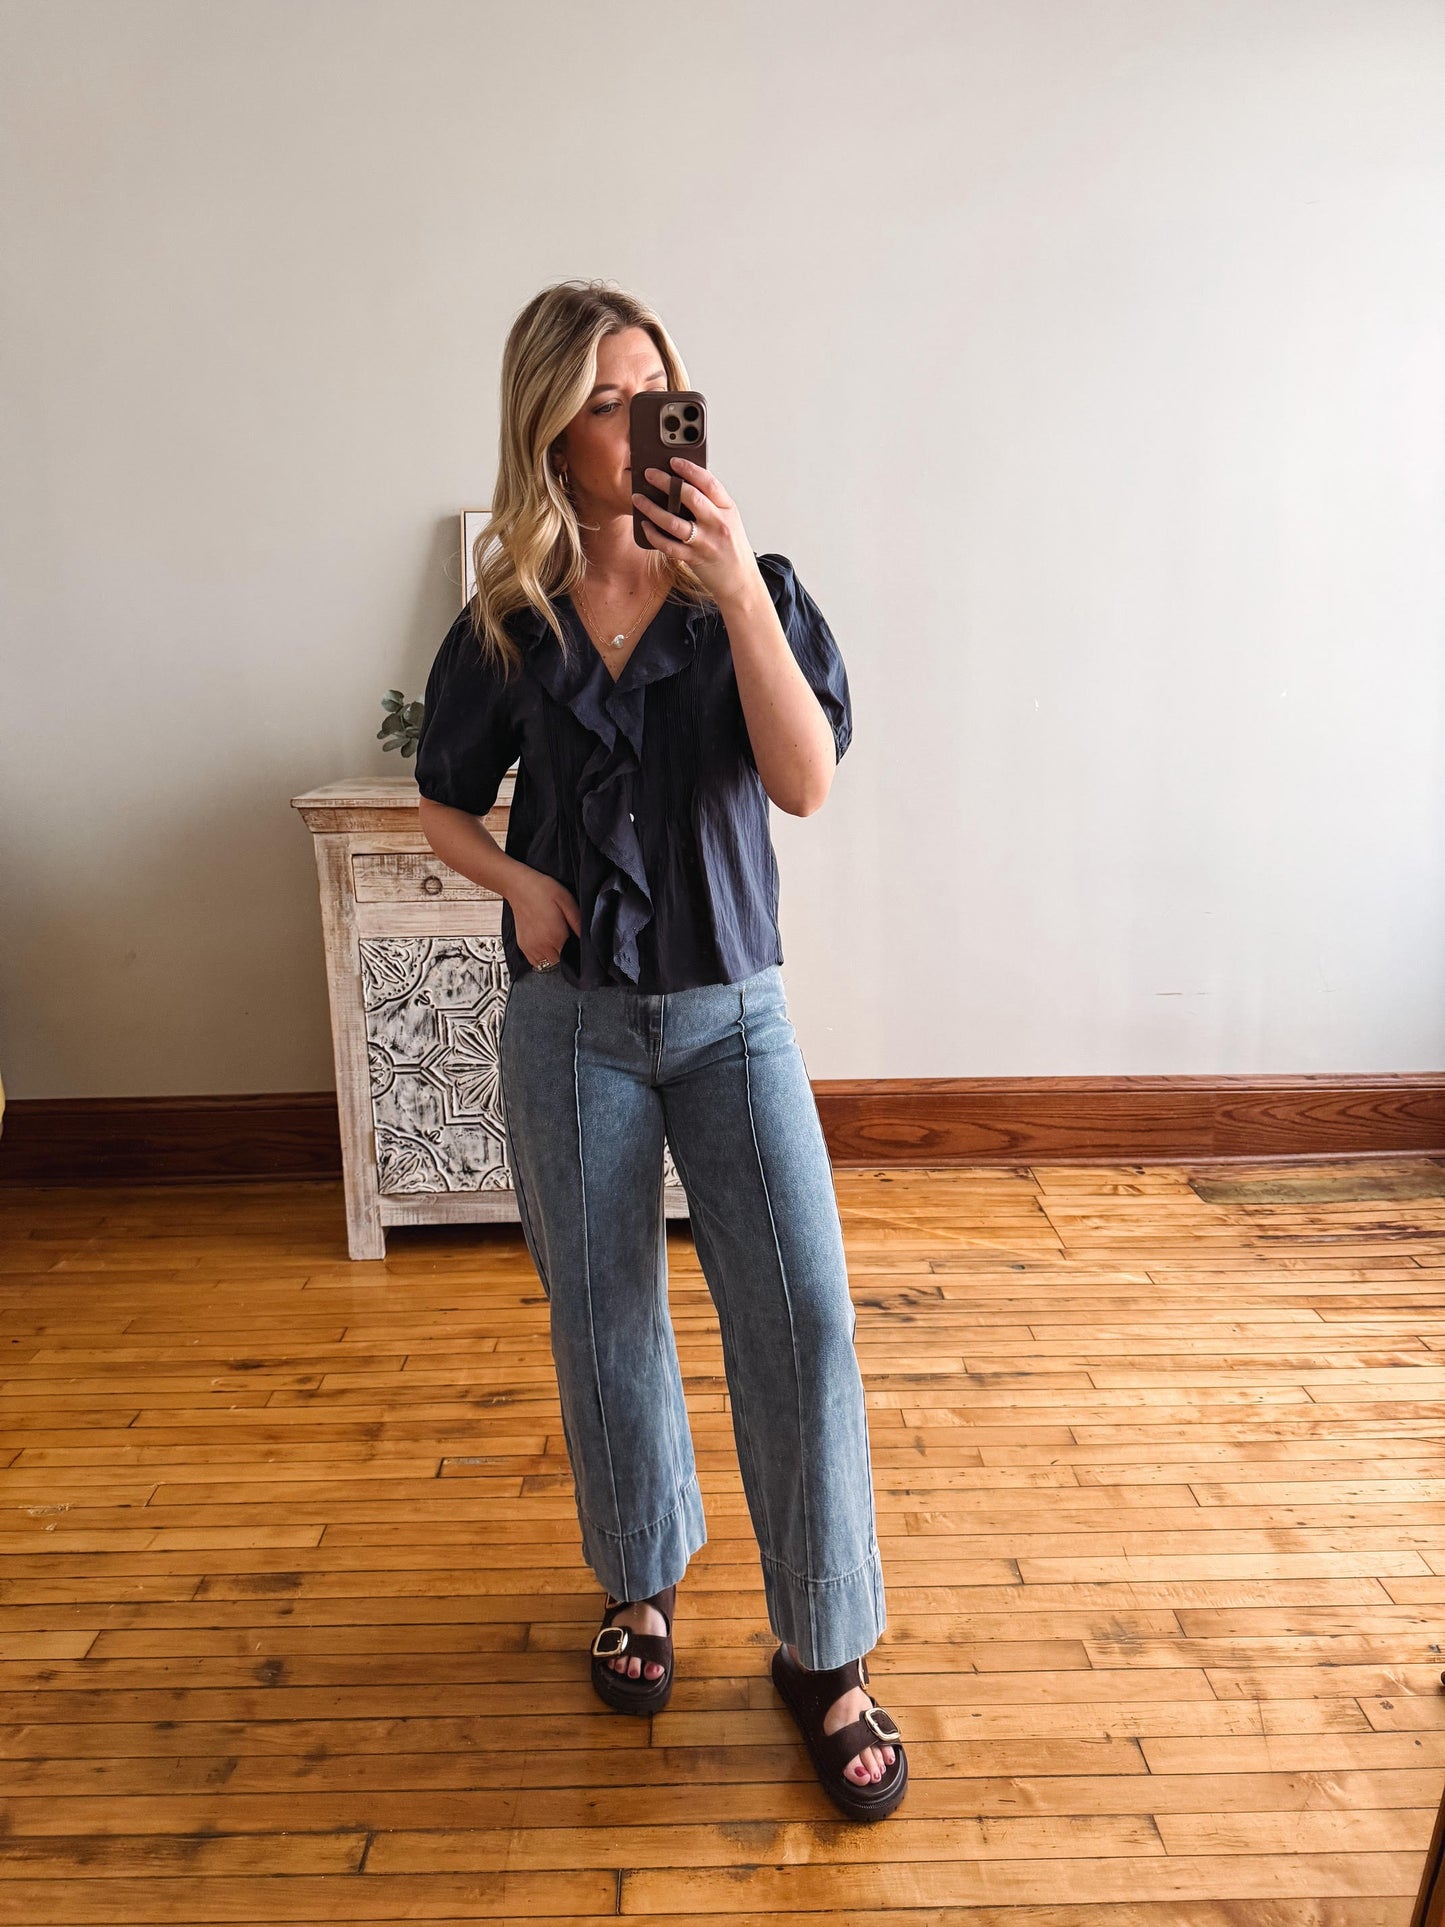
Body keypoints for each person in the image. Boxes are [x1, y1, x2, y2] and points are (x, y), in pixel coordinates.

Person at [414, 278, 906, 1822]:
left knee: (801, 1321)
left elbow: (805, 784)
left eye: (656, 393)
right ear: (551, 437)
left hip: (727, 1015)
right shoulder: (508, 623)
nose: (637, 425)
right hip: (571, 1026)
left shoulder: (741, 590)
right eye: (606, 403)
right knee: (602, 1319)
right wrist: (520, 886)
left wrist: (738, 593)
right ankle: (639, 1588)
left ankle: (824, 1650)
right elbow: (439, 799)